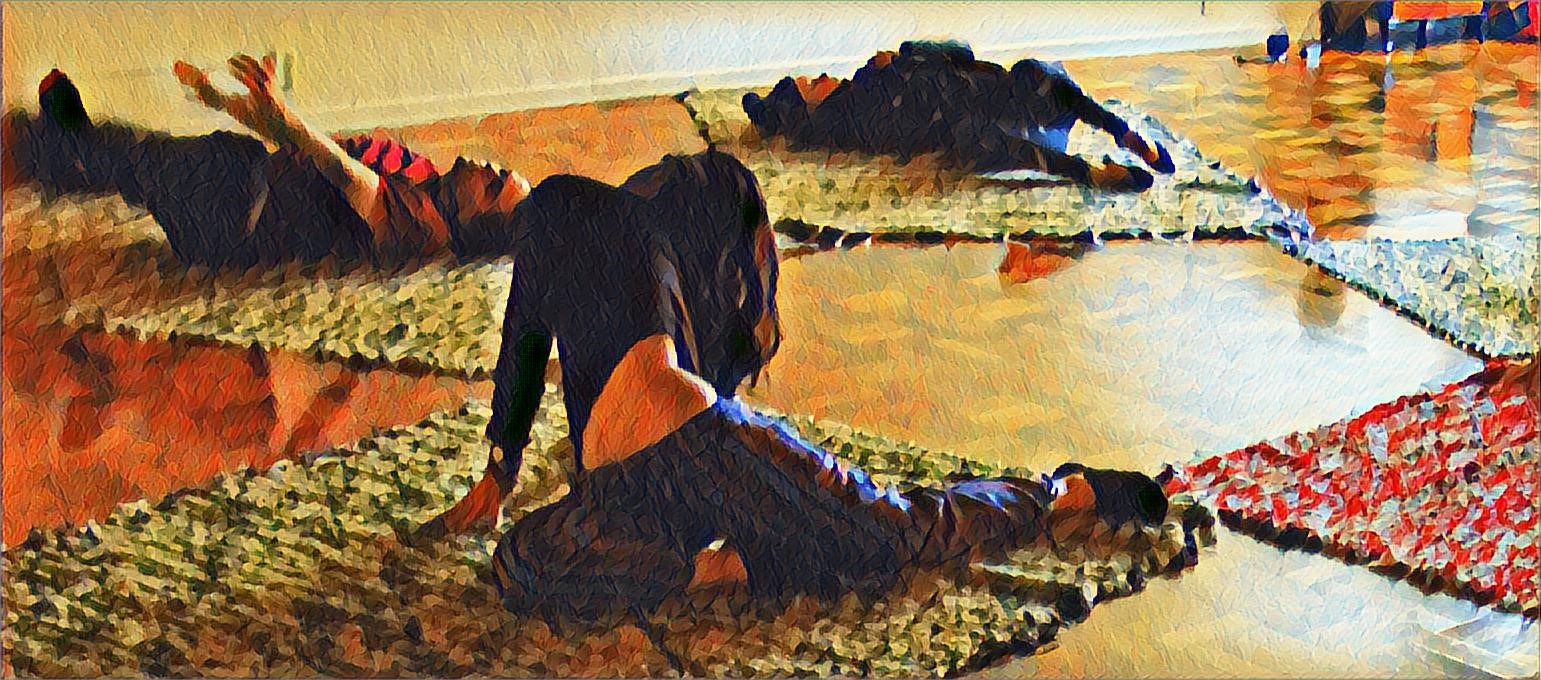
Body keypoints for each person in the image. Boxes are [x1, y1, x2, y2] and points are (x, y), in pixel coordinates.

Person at [411, 147, 1175, 623]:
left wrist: (499, 475)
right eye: (460, 186)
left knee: (888, 532)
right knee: (518, 567)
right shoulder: (566, 208)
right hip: (645, 471)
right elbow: (524, 339)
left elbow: (526, 341)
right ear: (477, 221)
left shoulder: (584, 211)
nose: (471, 165)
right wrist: (500, 475)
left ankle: (1058, 494)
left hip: (683, 448)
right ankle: (731, 567)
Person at [2, 54, 530, 271]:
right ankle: (76, 155)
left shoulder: (426, 228)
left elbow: (347, 176)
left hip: (236, 223)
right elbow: (305, 149)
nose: (489, 169)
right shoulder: (422, 174)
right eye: (499, 174)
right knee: (182, 157)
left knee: (168, 164)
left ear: (471, 222)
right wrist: (229, 104)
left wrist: (284, 115)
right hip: (252, 183)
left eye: (492, 189)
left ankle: (73, 147)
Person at [741, 40, 1177, 193]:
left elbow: (960, 51)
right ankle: (1086, 172)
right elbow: (906, 126)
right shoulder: (842, 119)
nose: (821, 76)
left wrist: (904, 54)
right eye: (811, 85)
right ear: (810, 106)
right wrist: (892, 70)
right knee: (975, 137)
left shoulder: (868, 77)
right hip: (961, 121)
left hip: (995, 93)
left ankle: (1124, 134)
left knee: (1034, 73)